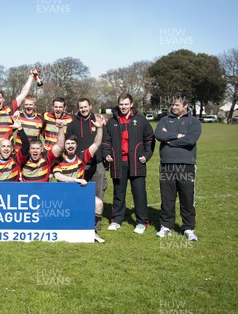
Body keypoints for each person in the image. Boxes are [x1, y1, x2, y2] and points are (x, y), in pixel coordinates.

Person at [102, 93, 154, 235]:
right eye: (121, 104)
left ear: (131, 104)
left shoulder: (141, 120)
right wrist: (107, 153)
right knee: (119, 193)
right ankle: (117, 220)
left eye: (126, 104)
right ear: (118, 105)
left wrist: (147, 155)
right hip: (119, 163)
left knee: (139, 194)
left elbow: (149, 139)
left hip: (137, 163)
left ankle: (141, 222)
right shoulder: (111, 122)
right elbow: (106, 141)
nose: (123, 107)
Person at [154, 93, 202, 241]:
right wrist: (178, 136)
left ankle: (188, 228)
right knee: (167, 196)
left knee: (187, 197)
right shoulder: (164, 119)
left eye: (177, 105)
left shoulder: (194, 121)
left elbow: (190, 140)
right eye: (173, 105)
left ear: (185, 106)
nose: (174, 107)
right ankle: (166, 226)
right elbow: (158, 134)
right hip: (167, 164)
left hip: (186, 164)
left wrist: (170, 140)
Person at [52, 114, 106, 243]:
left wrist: (99, 128)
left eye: (73, 144)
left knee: (98, 204)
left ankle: (92, 231)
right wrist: (76, 180)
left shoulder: (82, 156)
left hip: (79, 192)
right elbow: (58, 176)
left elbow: (97, 143)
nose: (70, 146)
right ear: (64, 145)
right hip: (62, 194)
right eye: (68, 143)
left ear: (76, 146)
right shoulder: (59, 159)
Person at [0, 68, 39, 155]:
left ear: (3, 99)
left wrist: (31, 76)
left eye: (0, 97)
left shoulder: (9, 108)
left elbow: (23, 94)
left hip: (8, 146)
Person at [67, 98, 107, 202]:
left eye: (85, 107)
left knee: (99, 192)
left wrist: (105, 155)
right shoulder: (72, 125)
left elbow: (106, 140)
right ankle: (81, 215)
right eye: (81, 107)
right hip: (80, 164)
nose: (83, 109)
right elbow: (68, 144)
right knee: (79, 192)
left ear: (90, 106)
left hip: (97, 163)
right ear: (78, 108)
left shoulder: (98, 120)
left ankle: (96, 217)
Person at [0, 116, 29, 182]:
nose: (6, 149)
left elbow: (26, 146)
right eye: (3, 146)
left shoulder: (16, 160)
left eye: (8, 146)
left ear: (12, 149)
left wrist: (20, 128)